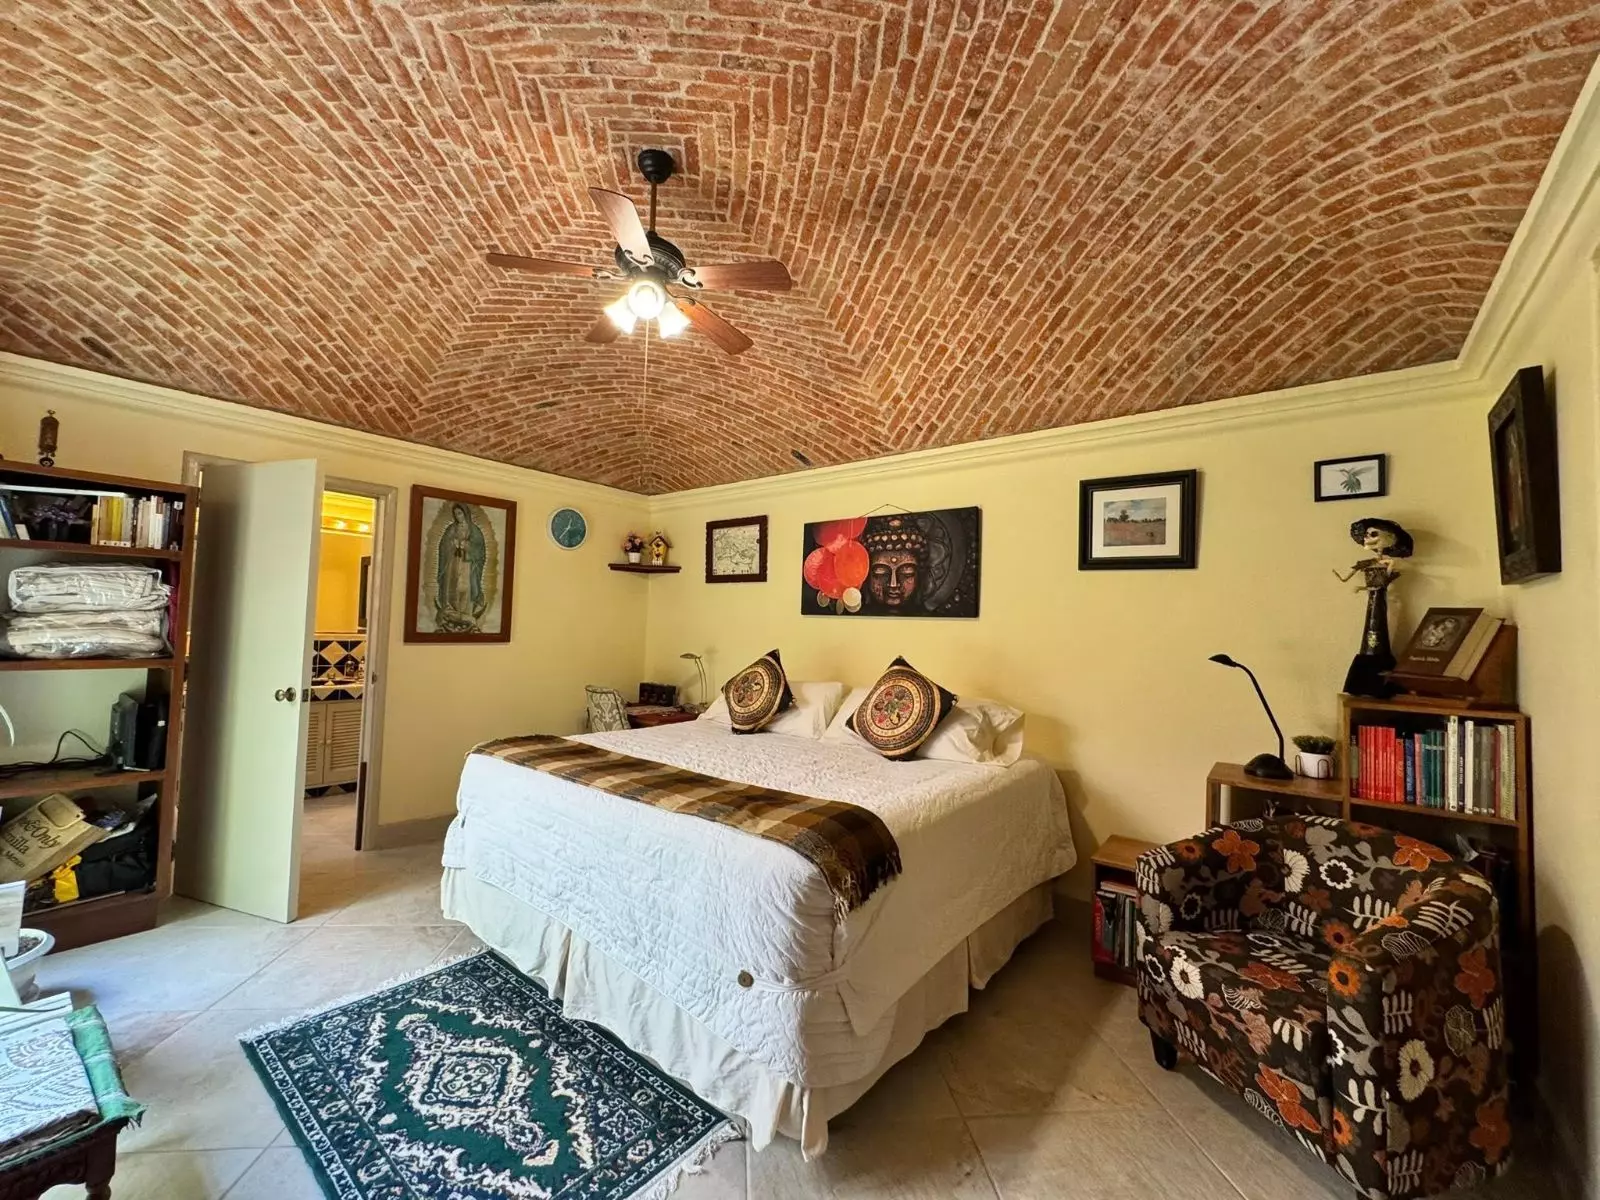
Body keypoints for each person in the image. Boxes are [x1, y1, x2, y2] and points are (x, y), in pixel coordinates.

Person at [1335, 517, 1414, 696]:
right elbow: (1354, 572)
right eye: (1366, 535)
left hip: (1380, 592)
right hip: (1375, 593)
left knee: (1377, 624)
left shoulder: (1387, 563)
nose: (1367, 538)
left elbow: (1385, 576)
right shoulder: (1368, 563)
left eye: (1373, 534)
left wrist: (1385, 576)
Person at [435, 502, 487, 632]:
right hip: (452, 563)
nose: (458, 516)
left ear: (465, 514)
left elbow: (479, 550)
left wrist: (466, 545)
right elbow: (443, 546)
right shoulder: (451, 529)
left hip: (467, 565)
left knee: (464, 587)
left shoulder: (474, 530)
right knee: (452, 585)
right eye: (456, 514)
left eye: (460, 513)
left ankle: (465, 613)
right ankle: (451, 611)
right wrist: (452, 544)